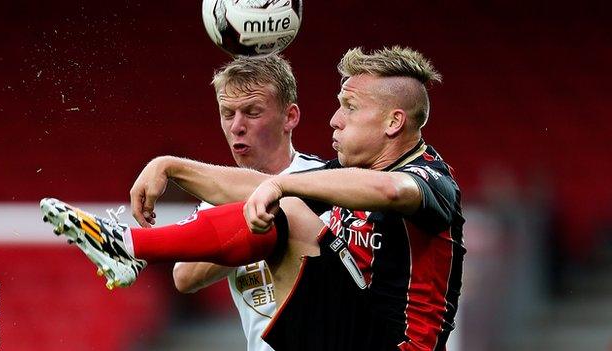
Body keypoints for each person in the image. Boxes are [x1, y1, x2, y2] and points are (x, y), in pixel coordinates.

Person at [40, 46, 465, 351]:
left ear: (394, 122)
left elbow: (392, 191)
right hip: (343, 332)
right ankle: (127, 246)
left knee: (288, 210)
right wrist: (170, 166)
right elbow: (245, 194)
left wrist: (281, 186)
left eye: (349, 107)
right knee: (280, 207)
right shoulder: (339, 180)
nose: (335, 119)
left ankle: (132, 246)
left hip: (396, 342)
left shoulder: (431, 178)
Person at [139, 54, 327, 351]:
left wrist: (236, 232)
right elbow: (184, 277)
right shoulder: (218, 198)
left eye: (252, 112)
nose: (237, 126)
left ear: (290, 117)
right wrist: (251, 226)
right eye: (228, 114)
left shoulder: (325, 181)